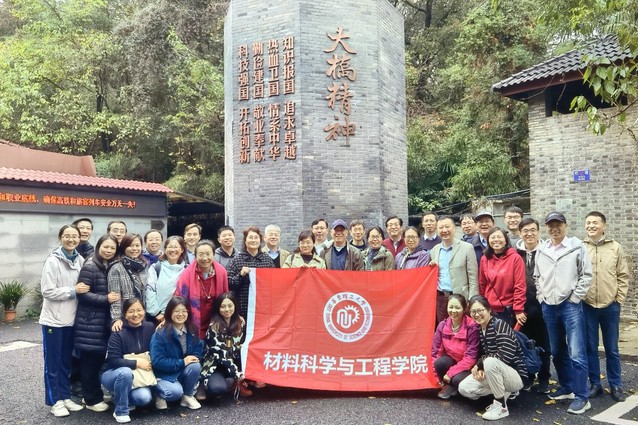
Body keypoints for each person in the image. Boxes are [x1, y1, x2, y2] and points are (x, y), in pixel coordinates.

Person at [534, 212, 592, 415]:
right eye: (550, 225)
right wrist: (541, 297)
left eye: (558, 224)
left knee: (577, 352)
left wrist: (575, 298)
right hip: (549, 306)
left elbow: (586, 274)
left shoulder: (576, 246)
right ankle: (567, 387)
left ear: (565, 225)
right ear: (546, 228)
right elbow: (537, 277)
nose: (554, 228)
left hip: (570, 305)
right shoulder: (542, 249)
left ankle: (582, 397)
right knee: (557, 351)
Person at [39, 224, 87, 417]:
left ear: (79, 239)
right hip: (53, 321)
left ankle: (65, 396)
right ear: (61, 238)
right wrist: (73, 291)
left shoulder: (80, 260)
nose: (71, 239)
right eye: (67, 236)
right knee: (53, 363)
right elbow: (47, 291)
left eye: (74, 236)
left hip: (72, 320)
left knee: (66, 361)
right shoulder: (52, 261)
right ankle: (55, 401)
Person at [583, 211, 629, 402]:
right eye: (588, 223)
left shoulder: (615, 247)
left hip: (610, 305)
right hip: (587, 306)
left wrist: (619, 299)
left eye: (595, 222)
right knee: (590, 348)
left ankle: (616, 385)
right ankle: (595, 384)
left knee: (612, 349)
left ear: (604, 226)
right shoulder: (580, 247)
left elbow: (623, 275)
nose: (591, 226)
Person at [458, 296, 526, 421]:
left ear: (489, 309)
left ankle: (501, 406)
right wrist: (481, 369)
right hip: (496, 371)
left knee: (489, 362)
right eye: (473, 312)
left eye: (480, 310)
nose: (477, 314)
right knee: (464, 388)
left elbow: (506, 355)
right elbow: (487, 357)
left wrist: (480, 364)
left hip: (514, 375)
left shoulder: (499, 325)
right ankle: (505, 392)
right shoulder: (480, 328)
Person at [74, 234, 120, 413]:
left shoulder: (109, 266)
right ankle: (91, 399)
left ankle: (94, 394)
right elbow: (82, 295)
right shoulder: (90, 266)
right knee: (90, 362)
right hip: (90, 323)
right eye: (105, 247)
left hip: (101, 323)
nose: (109, 250)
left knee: (98, 360)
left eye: (112, 248)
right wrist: (105, 299)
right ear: (99, 247)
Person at [101, 298, 155, 423]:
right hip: (113, 373)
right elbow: (113, 361)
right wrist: (137, 363)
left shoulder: (150, 327)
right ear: (125, 314)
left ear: (144, 311)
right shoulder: (118, 331)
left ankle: (121, 397)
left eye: (139, 310)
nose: (136, 314)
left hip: (139, 376)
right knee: (125, 373)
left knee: (144, 398)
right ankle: (121, 411)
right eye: (131, 311)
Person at [515, 218, 551, 394]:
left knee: (545, 345)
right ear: (520, 233)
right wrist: (517, 308)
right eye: (525, 231)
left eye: (532, 230)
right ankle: (529, 376)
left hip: (543, 306)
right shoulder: (515, 253)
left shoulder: (547, 251)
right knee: (525, 344)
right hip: (522, 308)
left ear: (538, 231)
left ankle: (544, 378)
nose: (529, 234)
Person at [150, 296, 203, 410]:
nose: (180, 314)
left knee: (195, 365)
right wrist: (182, 362)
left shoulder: (192, 329)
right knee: (174, 393)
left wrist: (194, 357)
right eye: (177, 311)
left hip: (181, 371)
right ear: (169, 312)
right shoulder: (160, 334)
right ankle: (157, 393)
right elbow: (157, 361)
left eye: (184, 311)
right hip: (164, 375)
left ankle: (187, 396)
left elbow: (198, 346)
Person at [200, 292, 252, 399]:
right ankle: (205, 384)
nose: (227, 309)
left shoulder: (240, 322)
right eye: (223, 306)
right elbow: (222, 355)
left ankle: (236, 385)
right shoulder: (213, 327)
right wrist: (238, 375)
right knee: (218, 389)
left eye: (230, 305)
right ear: (218, 308)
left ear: (235, 306)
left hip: (234, 361)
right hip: (216, 365)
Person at [175, 240, 229, 339]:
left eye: (208, 254)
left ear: (214, 254)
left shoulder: (221, 272)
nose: (205, 258)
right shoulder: (187, 274)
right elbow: (180, 299)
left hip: (215, 318)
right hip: (193, 318)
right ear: (195, 256)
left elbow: (226, 297)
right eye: (200, 254)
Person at [430, 216, 478, 325]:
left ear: (454, 228)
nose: (444, 230)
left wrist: (472, 300)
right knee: (444, 328)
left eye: (447, 226)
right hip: (441, 299)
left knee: (463, 328)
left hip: (461, 298)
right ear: (437, 230)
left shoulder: (467, 248)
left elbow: (473, 278)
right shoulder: (434, 250)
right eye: (441, 227)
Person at [432, 294, 480, 399]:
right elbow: (435, 353)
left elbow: (471, 358)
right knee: (439, 363)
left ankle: (455, 386)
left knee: (457, 379)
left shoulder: (472, 327)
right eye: (451, 307)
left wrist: (450, 373)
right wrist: (436, 378)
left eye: (457, 308)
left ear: (464, 309)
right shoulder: (442, 326)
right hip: (453, 360)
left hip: (469, 366)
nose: (453, 311)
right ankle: (449, 386)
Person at [478, 227, 526, 328]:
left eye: (499, 237)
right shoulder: (484, 259)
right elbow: (482, 284)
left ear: (506, 240)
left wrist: (518, 309)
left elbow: (520, 285)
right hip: (489, 309)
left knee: (506, 337)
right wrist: (482, 305)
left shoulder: (515, 258)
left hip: (507, 309)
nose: (496, 240)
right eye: (493, 237)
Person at [227, 226, 275, 319]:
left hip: (262, 308)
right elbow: (230, 284)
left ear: (260, 240)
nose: (253, 240)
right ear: (245, 241)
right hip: (242, 308)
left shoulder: (267, 260)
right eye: (250, 237)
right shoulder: (237, 259)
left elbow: (274, 283)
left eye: (256, 237)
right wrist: (240, 275)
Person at [108, 234, 148, 332]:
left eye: (137, 245)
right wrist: (116, 319)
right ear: (124, 247)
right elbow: (115, 297)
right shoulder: (116, 267)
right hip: (125, 318)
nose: (134, 248)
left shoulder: (142, 266)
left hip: (140, 316)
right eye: (130, 245)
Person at [146, 236, 188, 323]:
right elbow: (150, 290)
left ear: (182, 250)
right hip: (158, 317)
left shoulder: (187, 270)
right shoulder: (156, 267)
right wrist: (157, 313)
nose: (173, 250)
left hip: (180, 316)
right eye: (170, 247)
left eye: (176, 247)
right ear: (165, 249)